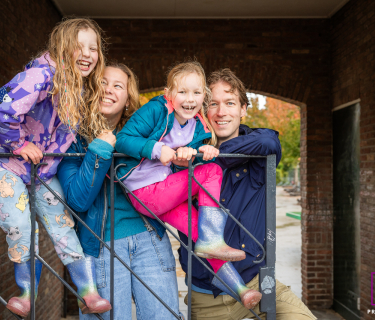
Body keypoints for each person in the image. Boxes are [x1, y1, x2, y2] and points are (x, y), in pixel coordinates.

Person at [0, 18, 111, 317]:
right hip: (9, 164)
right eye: (79, 46)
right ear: (61, 46)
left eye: (93, 48)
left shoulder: (77, 86)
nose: (88, 53)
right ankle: (27, 294)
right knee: (19, 225)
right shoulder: (40, 74)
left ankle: (88, 293)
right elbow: (0, 107)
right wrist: (17, 144)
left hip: (43, 171)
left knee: (62, 226)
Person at [115, 61, 262, 310]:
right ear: (169, 93)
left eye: (196, 93)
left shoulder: (199, 126)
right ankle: (214, 239)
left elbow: (188, 158)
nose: (189, 99)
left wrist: (202, 150)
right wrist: (155, 149)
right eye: (182, 92)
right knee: (212, 172)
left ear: (203, 96)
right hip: (144, 190)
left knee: (201, 236)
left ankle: (241, 290)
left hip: (160, 196)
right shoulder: (156, 110)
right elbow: (122, 140)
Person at [178, 68, 317, 320]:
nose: (221, 112)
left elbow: (270, 142)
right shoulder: (184, 154)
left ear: (243, 109)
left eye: (230, 103)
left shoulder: (258, 147)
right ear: (201, 109)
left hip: (257, 284)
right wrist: (199, 154)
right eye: (213, 104)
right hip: (207, 293)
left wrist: (217, 156)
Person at [58, 63, 182, 320]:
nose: (108, 90)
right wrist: (100, 149)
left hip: (150, 240)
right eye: (102, 82)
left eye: (118, 86)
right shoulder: (70, 137)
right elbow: (77, 201)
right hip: (101, 245)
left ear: (128, 99)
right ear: (91, 89)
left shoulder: (151, 134)